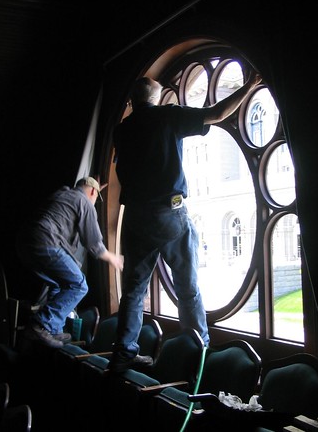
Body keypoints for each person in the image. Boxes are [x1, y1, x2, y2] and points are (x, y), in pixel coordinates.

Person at [109, 69, 261, 372]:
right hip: (169, 213)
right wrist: (252, 84)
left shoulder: (121, 130)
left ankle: (123, 354)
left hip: (136, 217)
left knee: (134, 290)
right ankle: (199, 352)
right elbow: (217, 113)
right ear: (153, 97)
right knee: (187, 286)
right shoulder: (166, 116)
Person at [16, 176, 124, 349]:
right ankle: (41, 325)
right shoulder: (85, 202)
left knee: (60, 284)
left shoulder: (63, 193)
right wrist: (113, 258)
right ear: (92, 192)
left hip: (24, 244)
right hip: (45, 243)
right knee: (79, 285)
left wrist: (94, 188)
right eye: (96, 197)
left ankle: (54, 329)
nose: (95, 202)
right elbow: (94, 244)